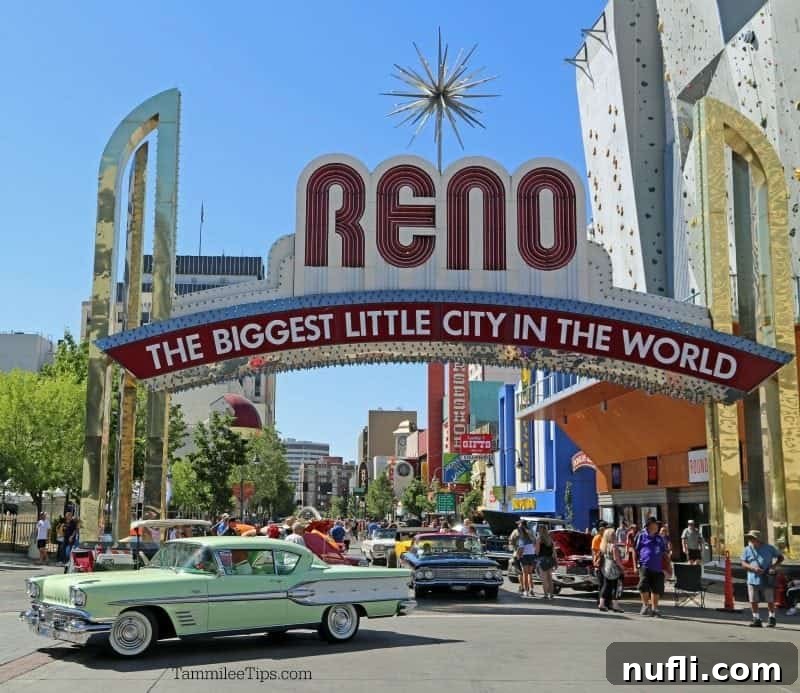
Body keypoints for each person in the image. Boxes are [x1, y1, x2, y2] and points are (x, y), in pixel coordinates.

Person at [741, 529, 784, 628]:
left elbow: (780, 557)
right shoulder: (747, 549)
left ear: (758, 539)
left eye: (752, 538)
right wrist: (753, 568)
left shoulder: (769, 548)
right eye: (749, 538)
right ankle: (756, 619)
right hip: (752, 578)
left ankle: (771, 618)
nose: (750, 540)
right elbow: (743, 563)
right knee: (753, 600)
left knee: (770, 599)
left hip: (766, 577)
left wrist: (773, 566)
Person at [633, 517, 668, 617]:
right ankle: (645, 605)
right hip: (644, 565)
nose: (657, 526)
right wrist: (635, 565)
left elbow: (664, 553)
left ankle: (655, 608)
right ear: (649, 525)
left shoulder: (659, 538)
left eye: (657, 524)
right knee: (643, 586)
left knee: (656, 589)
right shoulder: (641, 535)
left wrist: (667, 568)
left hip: (657, 567)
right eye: (655, 524)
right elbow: (635, 551)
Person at [598, 527, 625, 613]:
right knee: (615, 587)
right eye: (614, 535)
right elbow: (616, 559)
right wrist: (622, 567)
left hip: (606, 568)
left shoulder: (604, 545)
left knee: (606, 586)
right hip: (614, 569)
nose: (615, 536)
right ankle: (615, 605)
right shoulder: (614, 546)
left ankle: (601, 604)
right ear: (611, 536)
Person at [515, 520, 537, 598]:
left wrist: (518, 556)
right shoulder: (531, 533)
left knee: (525, 574)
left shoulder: (521, 536)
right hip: (532, 555)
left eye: (519, 525)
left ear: (521, 526)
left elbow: (521, 548)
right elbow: (535, 543)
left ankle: (526, 591)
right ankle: (531, 590)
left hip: (524, 555)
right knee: (530, 574)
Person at [535, 525, 556, 600]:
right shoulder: (550, 539)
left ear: (540, 530)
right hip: (550, 560)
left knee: (544, 579)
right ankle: (551, 594)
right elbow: (554, 552)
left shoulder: (539, 539)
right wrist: (555, 562)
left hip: (542, 559)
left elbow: (537, 552)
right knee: (550, 578)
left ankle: (546, 595)